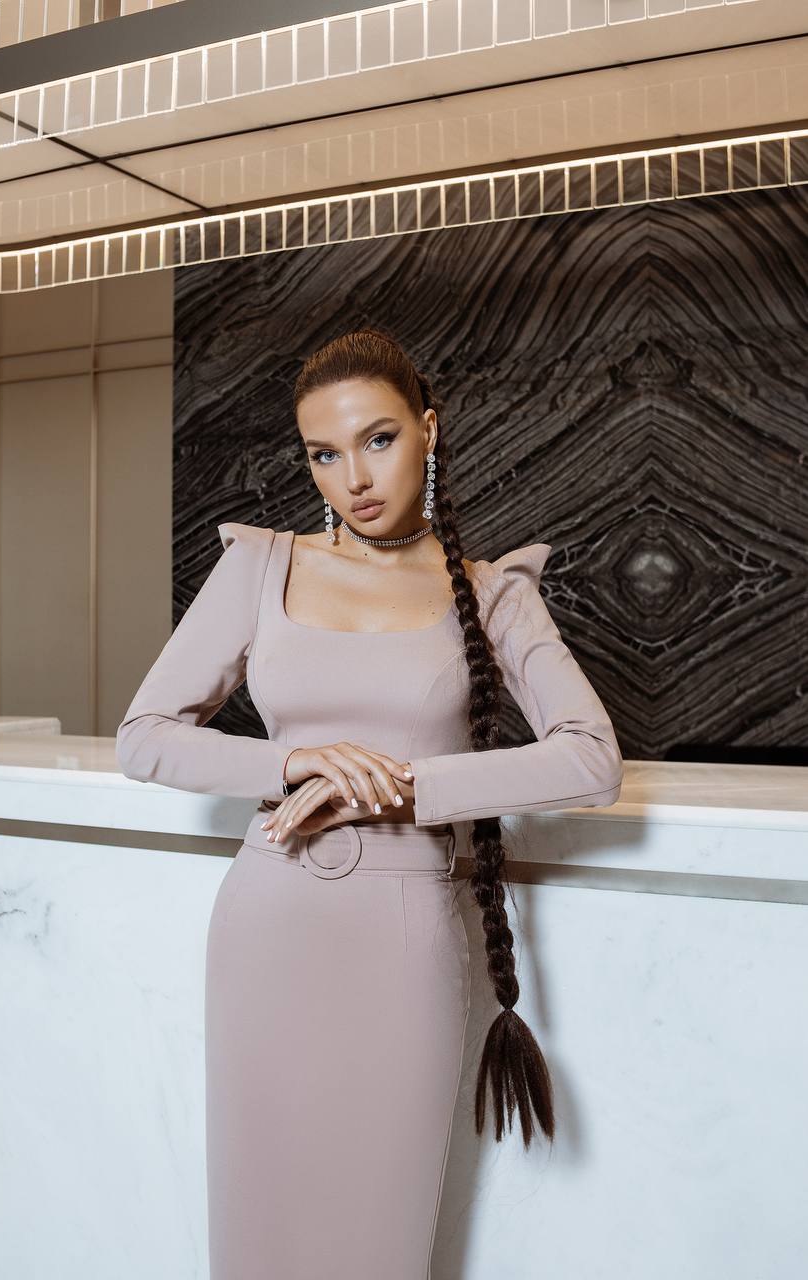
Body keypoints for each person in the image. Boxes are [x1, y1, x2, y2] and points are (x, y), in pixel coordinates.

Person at [115, 327, 623, 1279]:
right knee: (257, 1227)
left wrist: (403, 786)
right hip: (268, 921)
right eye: (324, 452)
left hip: (405, 939)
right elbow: (142, 736)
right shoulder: (259, 566)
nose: (353, 476)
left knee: (376, 1239)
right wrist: (294, 761)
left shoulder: (490, 590)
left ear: (428, 431)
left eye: (379, 439)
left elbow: (591, 758)